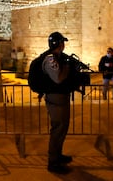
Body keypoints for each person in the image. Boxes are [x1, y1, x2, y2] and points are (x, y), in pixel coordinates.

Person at [42, 31, 78, 174]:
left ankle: (58, 155)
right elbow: (58, 78)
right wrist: (68, 67)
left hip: (61, 98)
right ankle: (53, 162)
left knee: (62, 129)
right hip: (55, 99)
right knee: (57, 129)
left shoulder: (58, 57)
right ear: (58, 44)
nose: (64, 45)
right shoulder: (50, 59)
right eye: (62, 42)